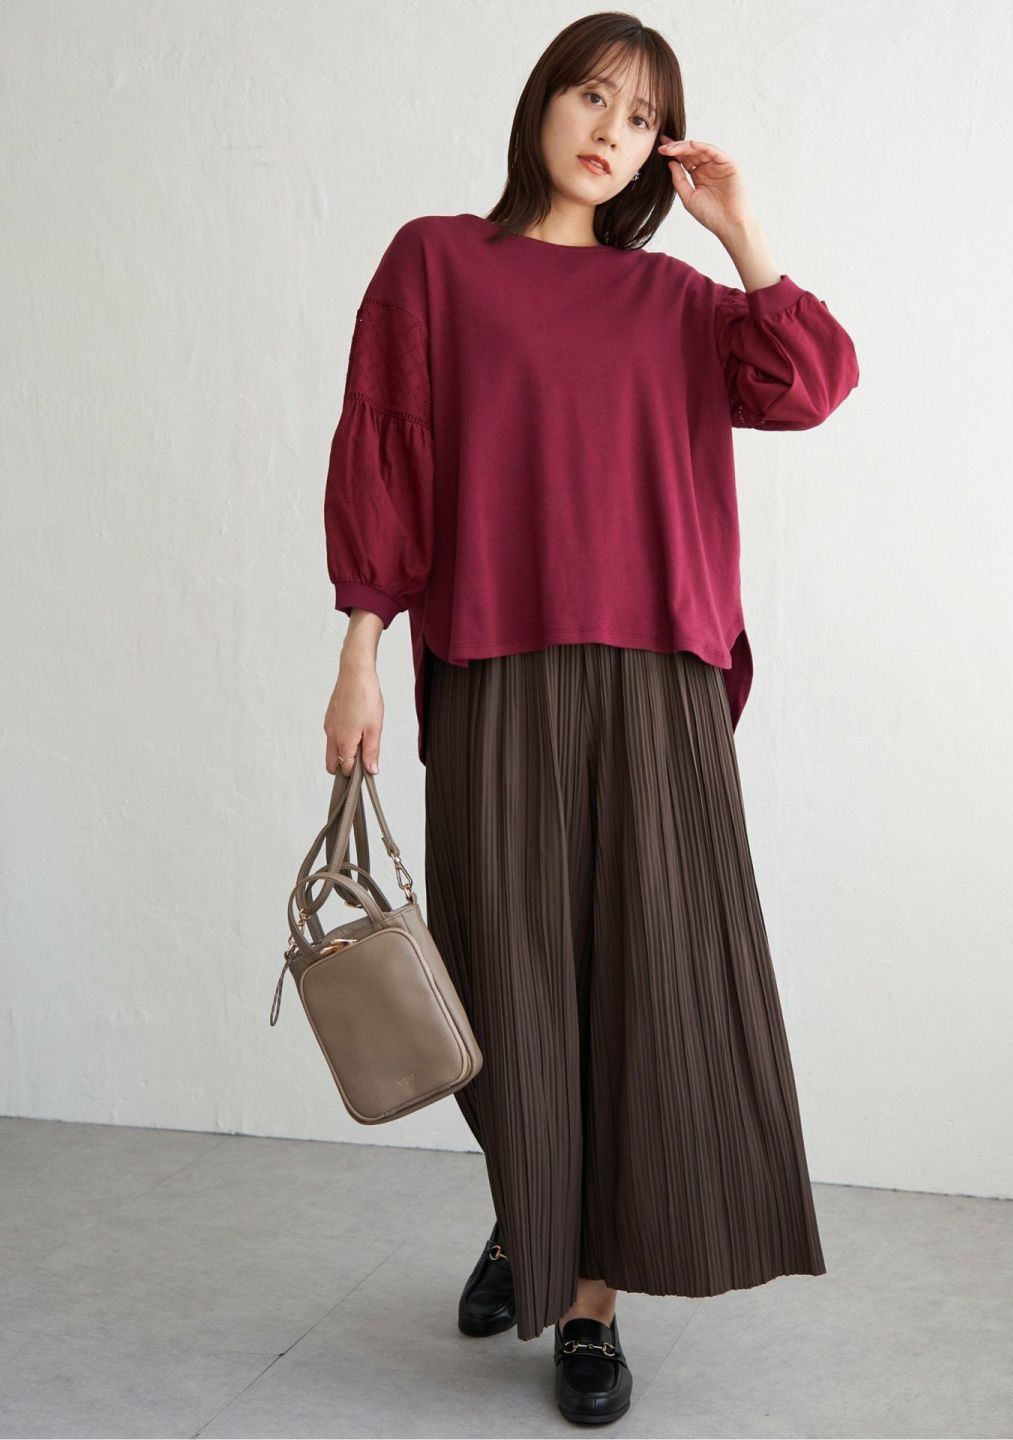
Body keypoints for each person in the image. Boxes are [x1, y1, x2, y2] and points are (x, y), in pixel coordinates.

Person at [321, 12, 859, 1425]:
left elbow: (810, 383)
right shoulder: (438, 263)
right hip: (495, 664)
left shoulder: (681, 304)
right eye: (592, 95)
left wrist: (740, 231)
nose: (612, 130)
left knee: (639, 988)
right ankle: (531, 1212)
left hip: (659, 681)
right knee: (503, 982)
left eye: (643, 116)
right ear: (543, 104)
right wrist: (360, 653)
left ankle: (588, 1305)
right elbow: (387, 455)